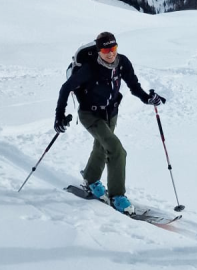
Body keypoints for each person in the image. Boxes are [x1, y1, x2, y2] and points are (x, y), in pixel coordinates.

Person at [54, 32, 165, 215]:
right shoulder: (89, 69)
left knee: (102, 145)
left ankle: (90, 180)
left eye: (113, 48)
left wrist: (148, 98)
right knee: (116, 149)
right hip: (90, 114)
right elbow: (66, 88)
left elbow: (134, 85)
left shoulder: (122, 63)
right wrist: (59, 116)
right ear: (99, 50)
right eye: (105, 49)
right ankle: (117, 196)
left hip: (111, 113)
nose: (110, 53)